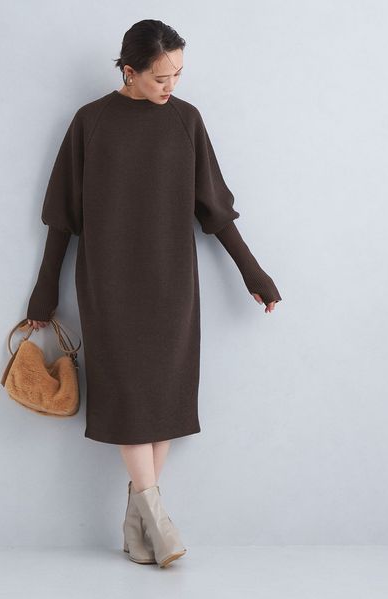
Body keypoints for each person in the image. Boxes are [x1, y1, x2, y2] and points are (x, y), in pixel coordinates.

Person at [26, 20, 282, 568]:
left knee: (163, 400)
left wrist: (253, 273)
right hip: (109, 282)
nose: (171, 86)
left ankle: (138, 522)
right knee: (129, 397)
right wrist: (44, 291)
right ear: (129, 72)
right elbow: (61, 216)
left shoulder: (187, 120)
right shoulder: (91, 121)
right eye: (161, 77)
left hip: (172, 282)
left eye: (178, 75)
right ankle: (159, 519)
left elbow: (215, 209)